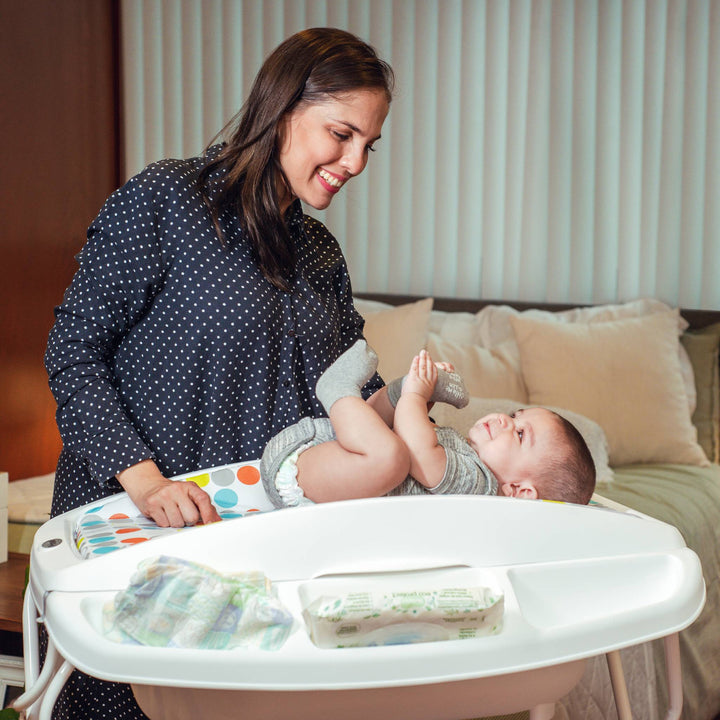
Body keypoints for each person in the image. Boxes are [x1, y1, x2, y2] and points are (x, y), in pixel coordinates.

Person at [43, 27, 394, 720]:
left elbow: (350, 380)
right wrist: (146, 483)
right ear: (286, 107)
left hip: (254, 541)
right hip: (139, 528)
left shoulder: (320, 253)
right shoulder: (169, 200)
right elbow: (73, 352)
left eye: (368, 145)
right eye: (342, 133)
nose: (355, 161)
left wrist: (431, 426)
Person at [261, 341, 597, 507]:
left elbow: (420, 453)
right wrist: (419, 396)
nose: (505, 421)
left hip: (304, 479)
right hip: (318, 461)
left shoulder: (481, 490)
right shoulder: (463, 457)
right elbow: (415, 439)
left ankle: (337, 391)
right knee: (391, 443)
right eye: (514, 417)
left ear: (520, 491)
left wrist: (417, 396)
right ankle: (395, 391)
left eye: (521, 433)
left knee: (394, 456)